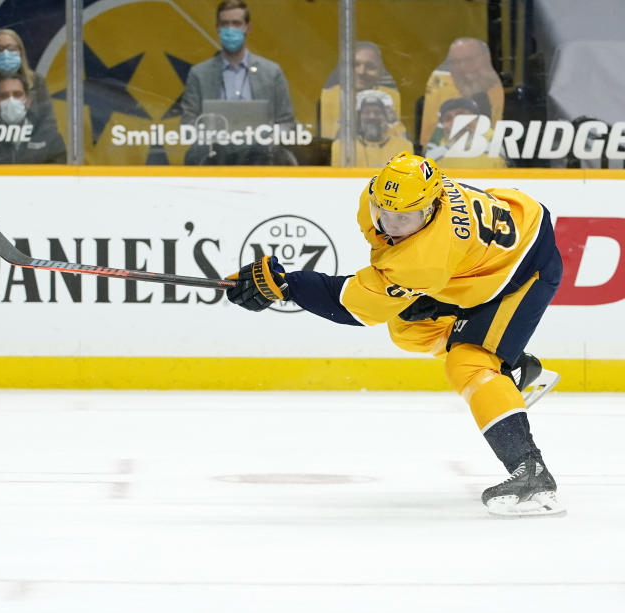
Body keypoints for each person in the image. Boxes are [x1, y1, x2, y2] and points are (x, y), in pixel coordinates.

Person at [225, 151, 565, 517]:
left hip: (523, 268)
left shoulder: (425, 256)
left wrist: (288, 285)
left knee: (470, 362)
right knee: (408, 328)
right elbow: (386, 269)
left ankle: (530, 470)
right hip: (474, 260)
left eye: (406, 218)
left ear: (432, 208)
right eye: (385, 213)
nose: (391, 225)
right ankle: (510, 370)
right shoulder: (387, 198)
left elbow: (354, 306)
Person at [180, 1, 295, 165]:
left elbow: (287, 122)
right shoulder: (199, 74)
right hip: (215, 152)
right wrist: (205, 136)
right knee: (194, 155)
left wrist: (272, 138)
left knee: (275, 156)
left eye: (236, 23)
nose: (230, 29)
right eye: (225, 24)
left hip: (261, 152)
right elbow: (188, 123)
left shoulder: (271, 72)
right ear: (217, 28)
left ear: (247, 28)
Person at [419, 38, 503, 148]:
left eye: (470, 59)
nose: (462, 67)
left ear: (487, 57)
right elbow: (424, 147)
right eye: (455, 62)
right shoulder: (435, 89)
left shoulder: (509, 94)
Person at [320, 41, 404, 141]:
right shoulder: (328, 96)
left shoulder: (391, 96)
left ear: (381, 72)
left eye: (370, 66)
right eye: (355, 65)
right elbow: (326, 141)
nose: (361, 72)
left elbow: (400, 141)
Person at [331, 90, 411, 167]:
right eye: (366, 112)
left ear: (386, 117)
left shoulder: (404, 147)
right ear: (359, 117)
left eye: (377, 112)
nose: (372, 117)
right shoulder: (341, 147)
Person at [423, 97, 507, 169]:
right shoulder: (432, 158)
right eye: (447, 118)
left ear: (476, 119)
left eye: (461, 115)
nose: (455, 121)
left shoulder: (495, 151)